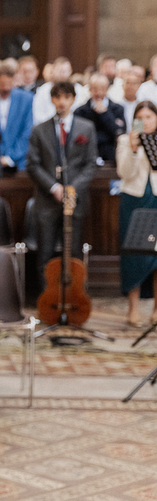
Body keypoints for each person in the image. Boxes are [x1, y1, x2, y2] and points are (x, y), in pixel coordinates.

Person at [27, 81, 98, 288]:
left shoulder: (86, 128)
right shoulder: (39, 130)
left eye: (66, 97)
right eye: (57, 97)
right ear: (52, 100)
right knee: (45, 253)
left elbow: (90, 164)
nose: (62, 102)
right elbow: (33, 165)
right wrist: (54, 187)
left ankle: (73, 295)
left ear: (73, 100)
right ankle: (47, 298)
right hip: (47, 200)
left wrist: (71, 188)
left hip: (75, 199)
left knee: (73, 252)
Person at [115, 101, 157, 327]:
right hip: (133, 201)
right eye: (140, 118)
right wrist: (133, 149)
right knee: (133, 255)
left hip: (156, 199)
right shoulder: (125, 140)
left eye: (149, 117)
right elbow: (124, 173)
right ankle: (133, 308)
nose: (145, 121)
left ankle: (156, 309)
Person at [74, 73, 126, 163]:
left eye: (102, 89)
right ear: (90, 89)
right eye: (95, 89)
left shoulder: (117, 109)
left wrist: (105, 113)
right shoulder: (80, 111)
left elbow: (119, 132)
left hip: (110, 156)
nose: (99, 93)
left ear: (108, 89)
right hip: (86, 156)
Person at [33, 57, 89, 125]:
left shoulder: (79, 90)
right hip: (47, 127)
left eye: (65, 71)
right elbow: (38, 114)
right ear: (53, 71)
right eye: (60, 71)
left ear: (70, 71)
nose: (63, 74)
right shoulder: (43, 90)